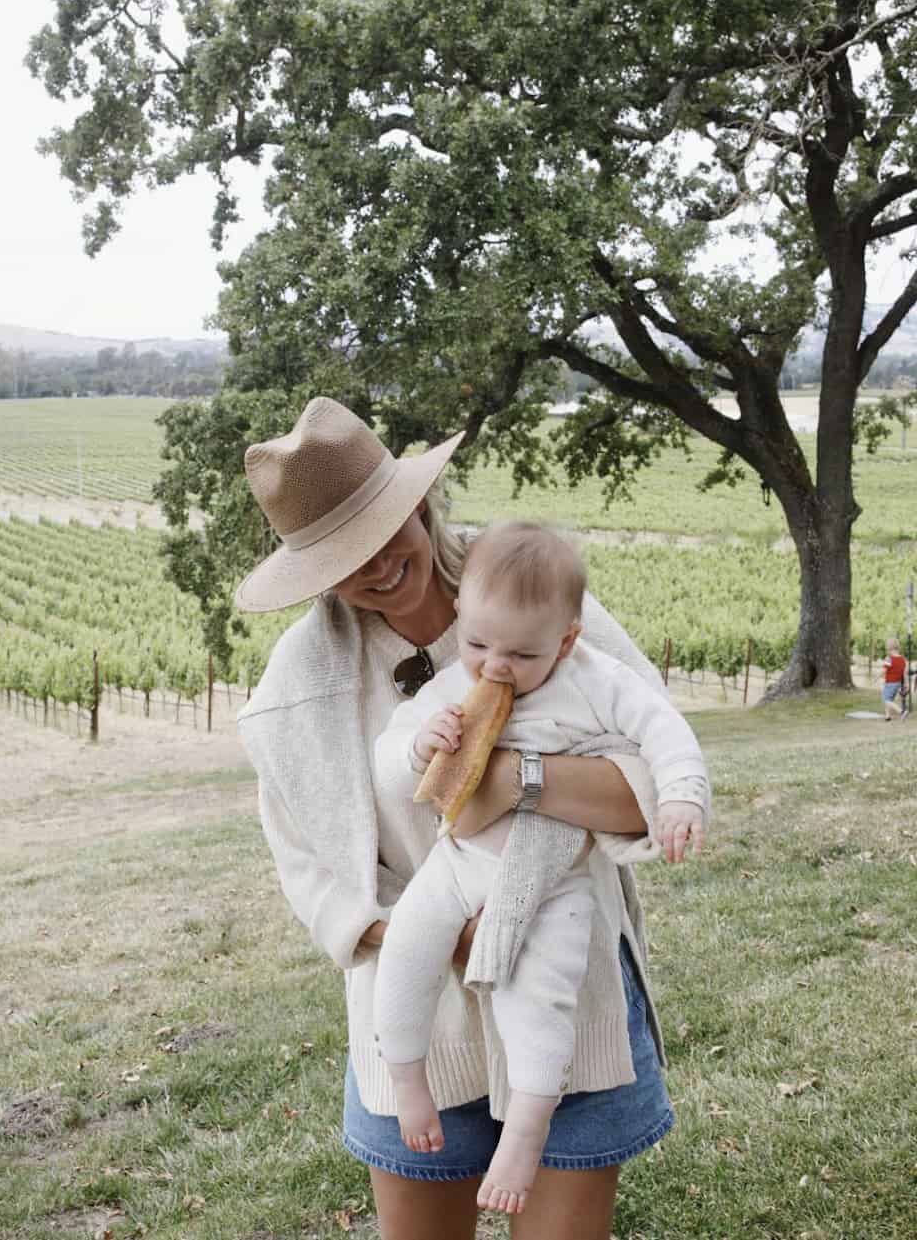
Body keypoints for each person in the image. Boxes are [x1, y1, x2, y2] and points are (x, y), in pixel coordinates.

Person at [236, 396, 679, 1240]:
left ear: (416, 500)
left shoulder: (527, 587)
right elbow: (315, 874)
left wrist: (514, 778)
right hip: (420, 1012)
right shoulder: (295, 692)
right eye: (342, 553)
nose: (375, 564)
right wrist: (434, 935)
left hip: (564, 991)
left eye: (382, 527)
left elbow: (651, 773)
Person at [372, 522, 708, 1215]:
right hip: (461, 861)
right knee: (406, 944)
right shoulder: (451, 685)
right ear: (461, 621)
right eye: (477, 645)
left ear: (567, 639)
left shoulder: (594, 682)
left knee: (541, 997)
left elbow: (663, 728)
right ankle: (406, 1075)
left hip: (553, 877)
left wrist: (680, 796)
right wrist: (417, 745)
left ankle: (527, 1129)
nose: (495, 666)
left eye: (523, 654)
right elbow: (390, 750)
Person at [880, 637, 908, 720]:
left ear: (888, 647)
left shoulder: (889, 658)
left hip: (890, 683)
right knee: (890, 699)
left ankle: (901, 711)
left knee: (886, 700)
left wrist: (878, 677)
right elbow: (904, 673)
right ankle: (887, 716)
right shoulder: (903, 659)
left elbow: (884, 671)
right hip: (898, 683)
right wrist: (906, 684)